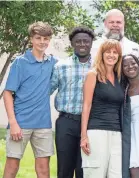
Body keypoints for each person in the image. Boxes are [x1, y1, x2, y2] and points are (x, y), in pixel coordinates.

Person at [3, 22, 56, 178]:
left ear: (49, 40)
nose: (42, 42)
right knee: (12, 167)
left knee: (43, 170)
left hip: (43, 124)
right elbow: (7, 93)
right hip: (20, 123)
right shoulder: (20, 63)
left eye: (45, 38)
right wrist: (13, 123)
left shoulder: (53, 63)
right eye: (38, 38)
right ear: (31, 39)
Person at [50, 26, 95, 178]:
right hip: (66, 122)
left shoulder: (99, 67)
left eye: (86, 41)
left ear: (91, 43)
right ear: (72, 44)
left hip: (91, 124)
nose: (82, 44)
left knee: (85, 169)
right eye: (78, 41)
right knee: (64, 169)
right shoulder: (60, 66)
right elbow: (47, 90)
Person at [80, 39, 124, 178]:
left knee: (116, 174)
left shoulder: (119, 78)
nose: (111, 55)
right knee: (95, 173)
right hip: (96, 132)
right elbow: (86, 105)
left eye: (115, 52)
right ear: (102, 54)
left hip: (117, 133)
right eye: (108, 52)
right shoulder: (93, 74)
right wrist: (84, 136)